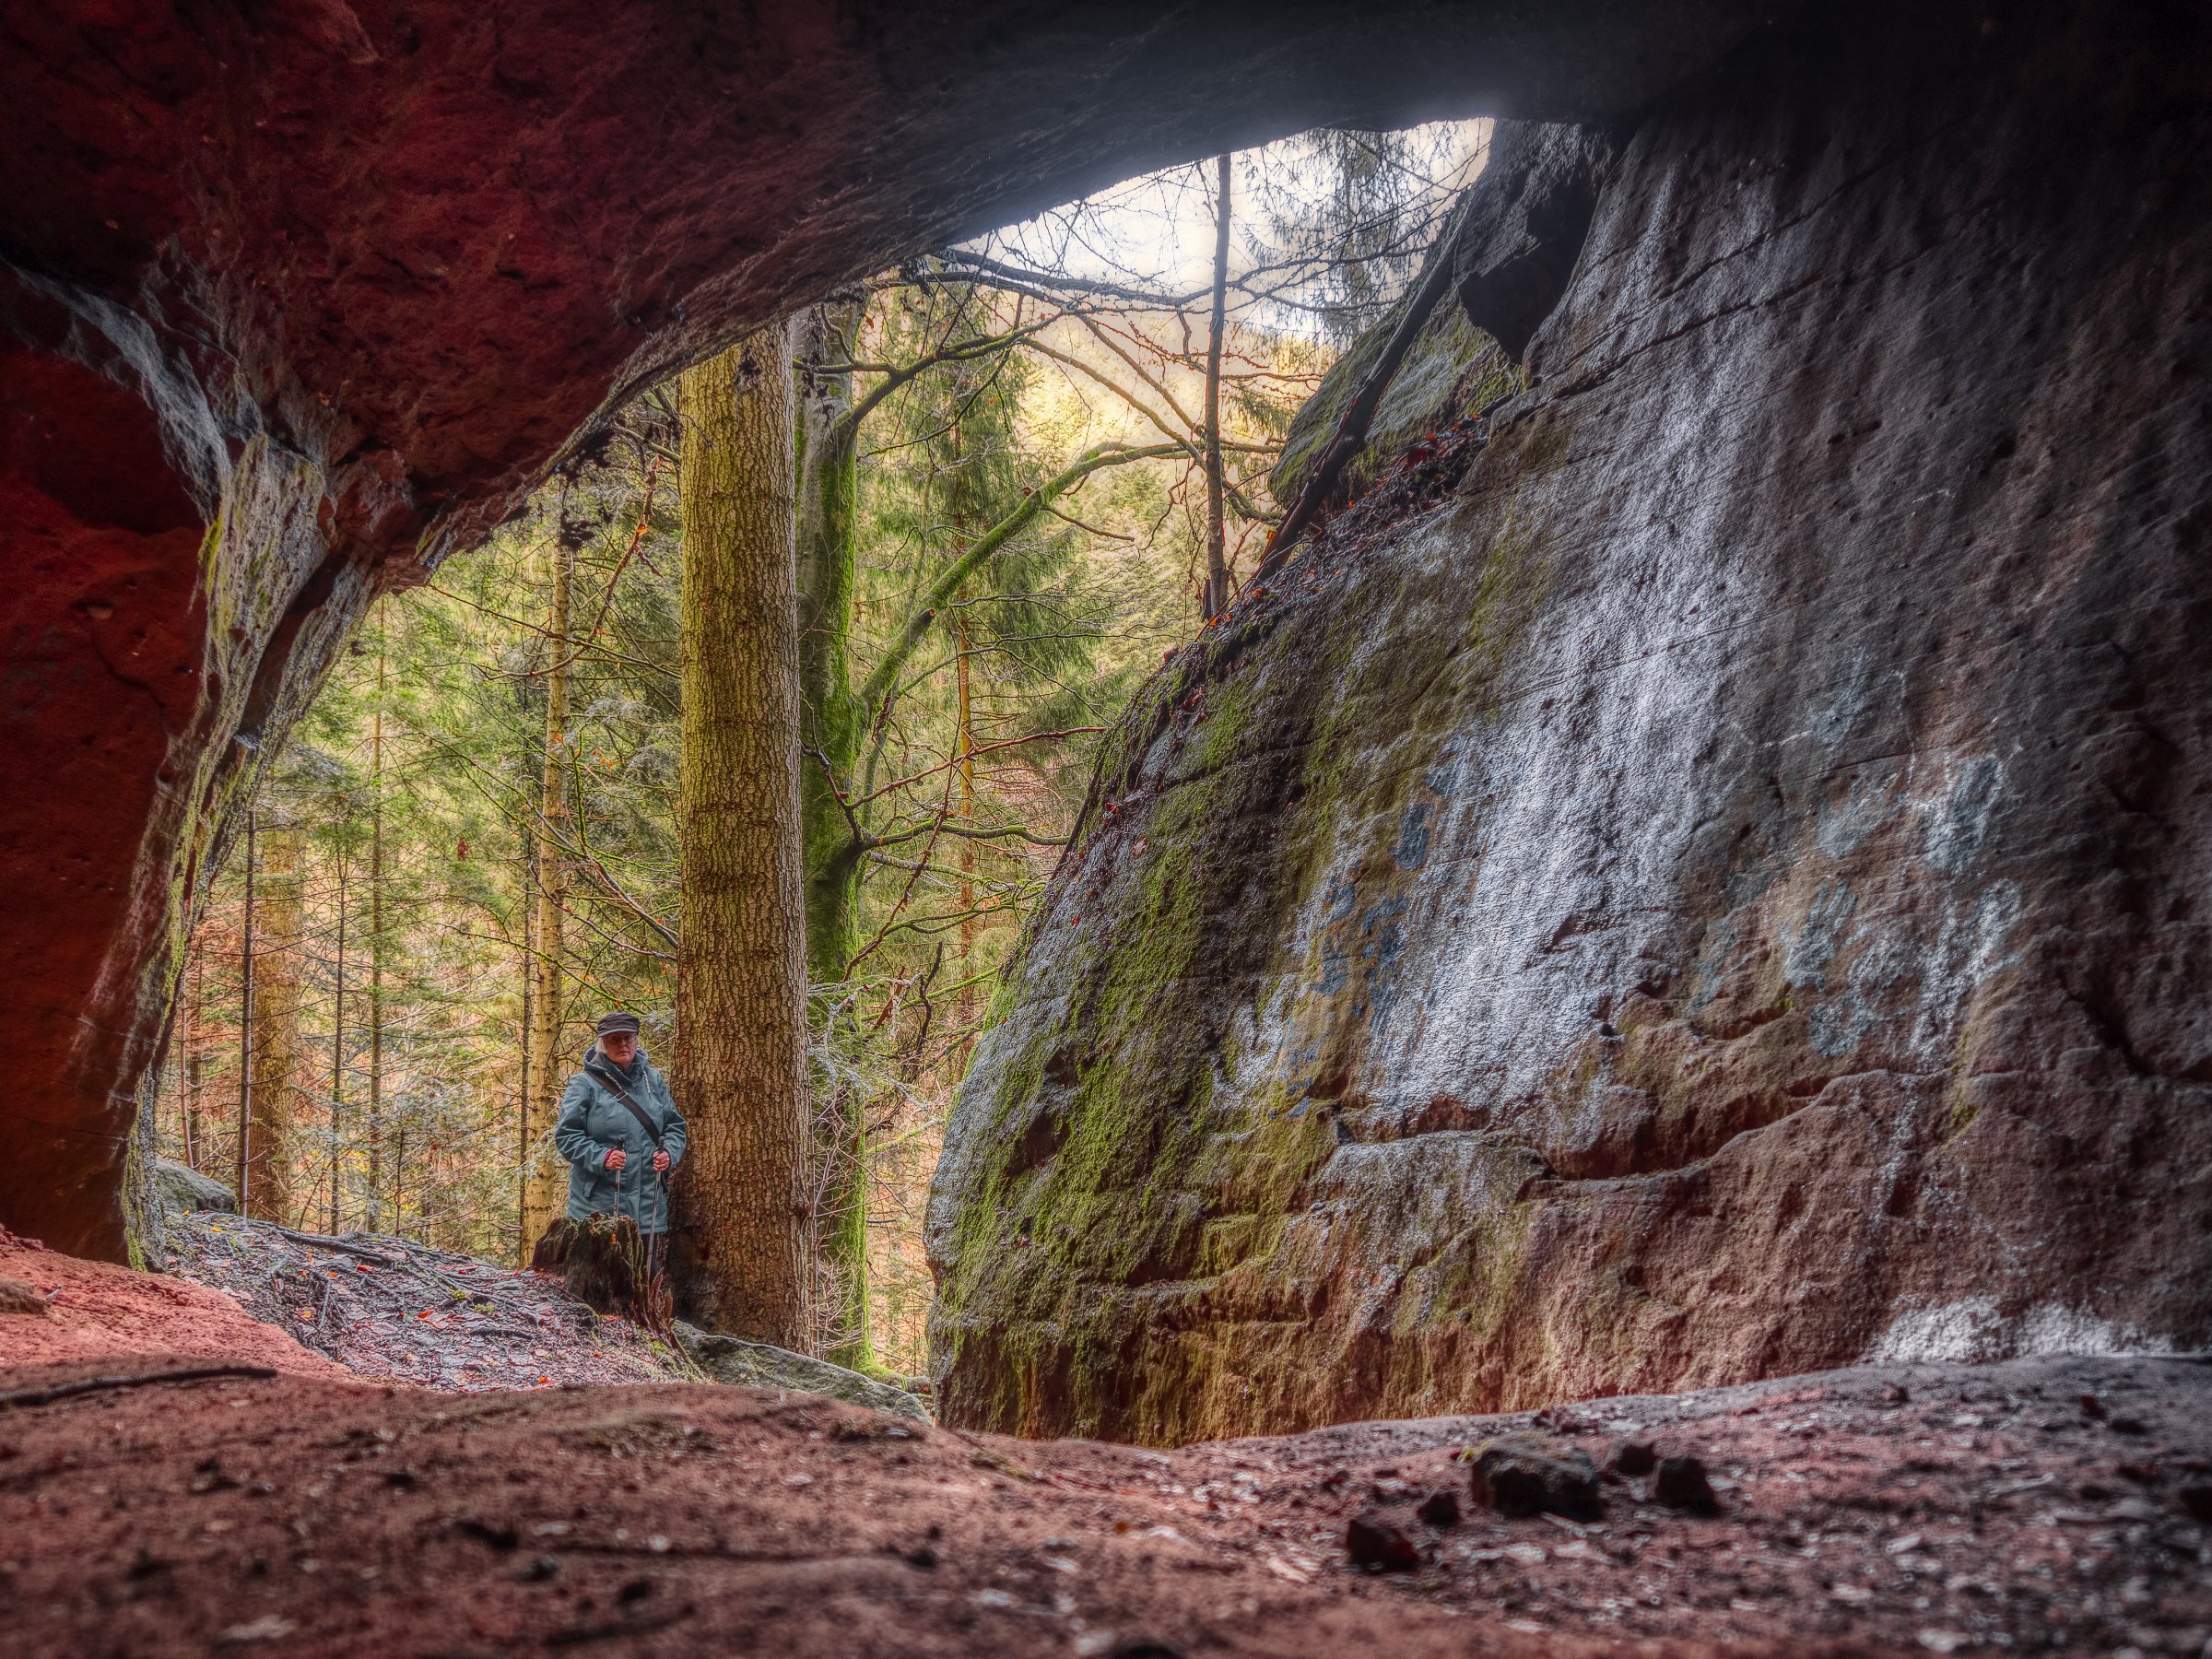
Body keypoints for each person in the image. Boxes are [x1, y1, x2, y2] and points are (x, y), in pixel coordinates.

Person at [553, 1012, 688, 1273]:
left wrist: (669, 1153)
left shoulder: (653, 1081)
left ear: (636, 1041)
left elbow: (675, 1127)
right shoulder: (584, 1084)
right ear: (602, 1043)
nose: (623, 1045)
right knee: (597, 1278)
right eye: (615, 1040)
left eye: (628, 1038)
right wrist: (602, 1157)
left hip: (648, 1202)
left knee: (645, 1277)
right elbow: (567, 1136)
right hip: (598, 1205)